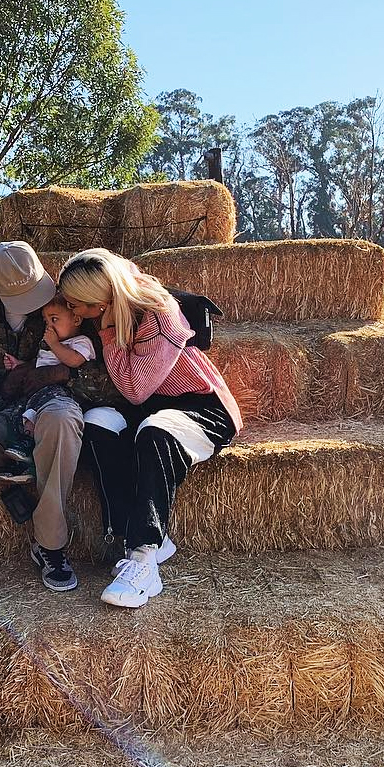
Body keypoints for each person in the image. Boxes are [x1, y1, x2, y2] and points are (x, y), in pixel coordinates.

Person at [0, 241, 119, 596]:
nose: (37, 305)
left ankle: (50, 545)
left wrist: (62, 375)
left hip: (47, 415)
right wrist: (0, 386)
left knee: (62, 419)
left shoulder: (66, 307)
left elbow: (114, 381)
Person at [57, 247, 243, 609]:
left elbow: (134, 387)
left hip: (200, 405)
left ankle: (145, 559)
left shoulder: (159, 316)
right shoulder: (116, 304)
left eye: (76, 304)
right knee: (97, 424)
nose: (73, 312)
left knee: (155, 431)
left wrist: (108, 331)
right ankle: (130, 537)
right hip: (148, 408)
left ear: (100, 299)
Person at [0, 295, 97, 484]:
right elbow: (40, 364)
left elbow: (74, 361)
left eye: (55, 319)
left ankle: (28, 453)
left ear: (76, 319)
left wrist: (54, 344)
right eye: (46, 321)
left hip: (59, 393)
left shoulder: (81, 342)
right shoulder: (50, 345)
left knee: (40, 421)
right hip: (37, 394)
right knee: (16, 416)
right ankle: (21, 460)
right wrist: (19, 365)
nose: (49, 326)